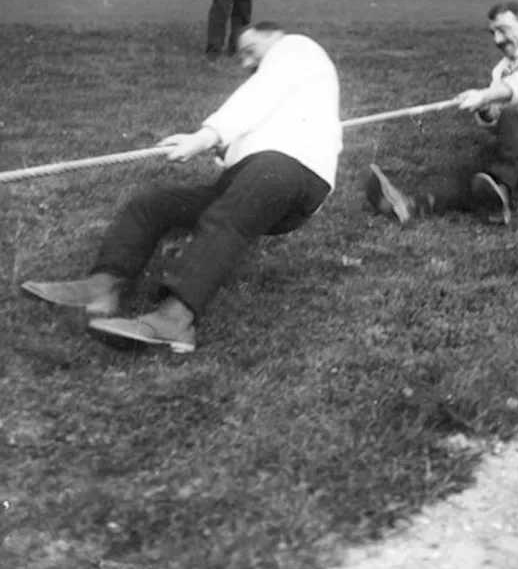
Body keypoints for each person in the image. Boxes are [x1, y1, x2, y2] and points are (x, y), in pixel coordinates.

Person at [21, 23, 340, 353]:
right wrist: (223, 148)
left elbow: (260, 93)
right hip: (263, 179)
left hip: (289, 170)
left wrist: (206, 136)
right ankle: (103, 286)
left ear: (273, 35)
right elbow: (255, 121)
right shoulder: (295, 91)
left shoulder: (295, 47)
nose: (245, 62)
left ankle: (175, 321)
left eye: (249, 50)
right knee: (153, 205)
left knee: (225, 220)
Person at [365, 2, 518, 227]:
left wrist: (486, 95)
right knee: (469, 166)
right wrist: (487, 110)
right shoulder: (502, 70)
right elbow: (500, 122)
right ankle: (410, 205)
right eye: (493, 33)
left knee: (514, 118)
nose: (498, 40)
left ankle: (500, 190)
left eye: (503, 30)